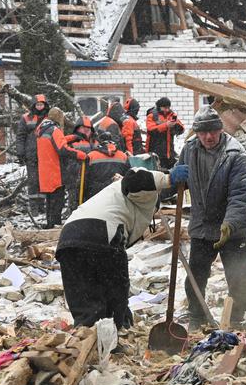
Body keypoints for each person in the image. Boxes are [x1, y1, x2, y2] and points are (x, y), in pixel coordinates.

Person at [56, 166, 189, 328]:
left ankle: (88, 339)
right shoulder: (141, 189)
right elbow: (133, 181)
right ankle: (115, 334)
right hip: (102, 235)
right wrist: (168, 179)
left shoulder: (112, 196)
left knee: (85, 302)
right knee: (114, 294)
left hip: (68, 240)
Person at [176, 107, 246, 330]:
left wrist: (229, 224)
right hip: (202, 225)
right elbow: (179, 178)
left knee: (237, 276)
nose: (209, 137)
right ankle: (196, 317)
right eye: (203, 133)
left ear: (220, 130)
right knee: (195, 275)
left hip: (233, 227)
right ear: (197, 133)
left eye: (213, 131)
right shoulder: (190, 149)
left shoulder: (235, 155)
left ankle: (236, 320)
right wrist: (170, 180)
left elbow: (240, 195)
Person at [16, 94, 50, 214]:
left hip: (46, 155)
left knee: (43, 180)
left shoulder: (50, 117)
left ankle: (42, 206)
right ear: (34, 105)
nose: (40, 107)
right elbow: (20, 136)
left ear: (45, 105)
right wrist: (20, 152)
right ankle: (34, 207)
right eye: (38, 104)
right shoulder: (26, 118)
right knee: (33, 181)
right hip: (31, 154)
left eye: (42, 104)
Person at [35, 107, 67, 228]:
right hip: (55, 171)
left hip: (45, 171)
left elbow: (52, 143)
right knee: (57, 202)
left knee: (50, 202)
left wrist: (67, 139)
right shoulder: (54, 130)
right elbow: (62, 149)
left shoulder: (42, 129)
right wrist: (78, 154)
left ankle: (50, 224)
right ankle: (55, 226)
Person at [60, 116, 98, 212]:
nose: (86, 131)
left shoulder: (95, 141)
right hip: (74, 177)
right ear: (77, 128)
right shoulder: (71, 140)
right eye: (83, 128)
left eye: (88, 129)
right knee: (74, 203)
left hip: (90, 178)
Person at [85, 132, 130, 201]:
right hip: (117, 197)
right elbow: (128, 178)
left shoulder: (91, 156)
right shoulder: (123, 156)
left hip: (95, 197)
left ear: (99, 142)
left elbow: (84, 181)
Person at [146, 97, 185, 169]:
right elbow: (151, 130)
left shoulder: (172, 115)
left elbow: (182, 129)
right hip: (156, 152)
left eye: (168, 107)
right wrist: (166, 125)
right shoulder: (152, 116)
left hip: (169, 153)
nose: (167, 110)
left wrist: (176, 125)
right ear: (159, 106)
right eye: (165, 107)